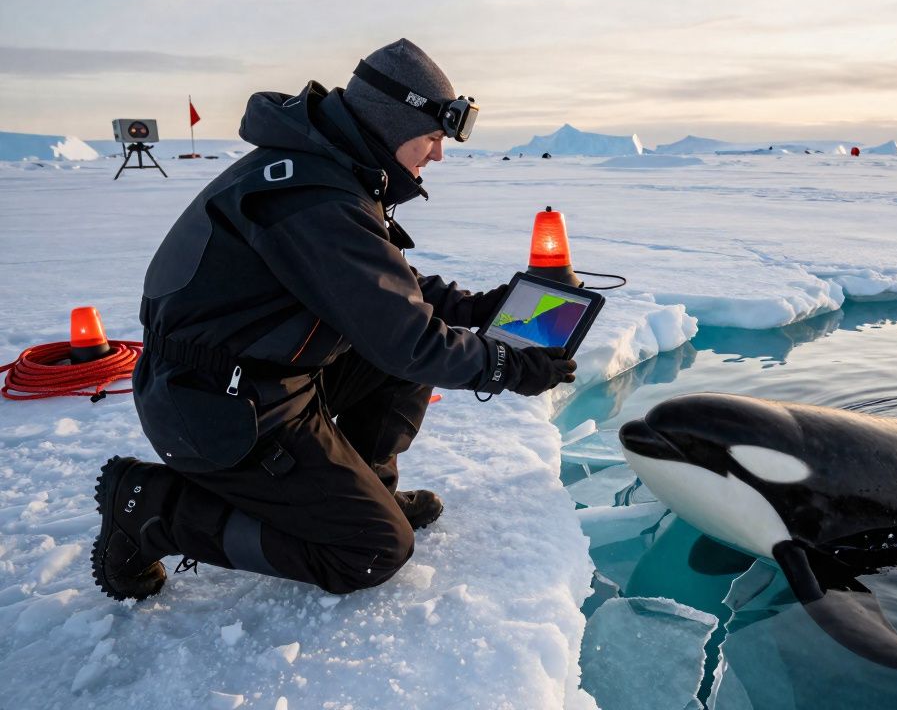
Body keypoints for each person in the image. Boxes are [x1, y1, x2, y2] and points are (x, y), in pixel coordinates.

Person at [91, 39, 577, 600]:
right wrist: (508, 366)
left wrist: (476, 309)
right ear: (394, 125)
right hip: (214, 408)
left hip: (262, 380)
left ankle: (364, 487)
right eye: (434, 138)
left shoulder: (325, 171)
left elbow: (376, 289)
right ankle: (154, 508)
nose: (439, 156)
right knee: (370, 551)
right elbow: (408, 339)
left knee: (391, 356)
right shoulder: (313, 197)